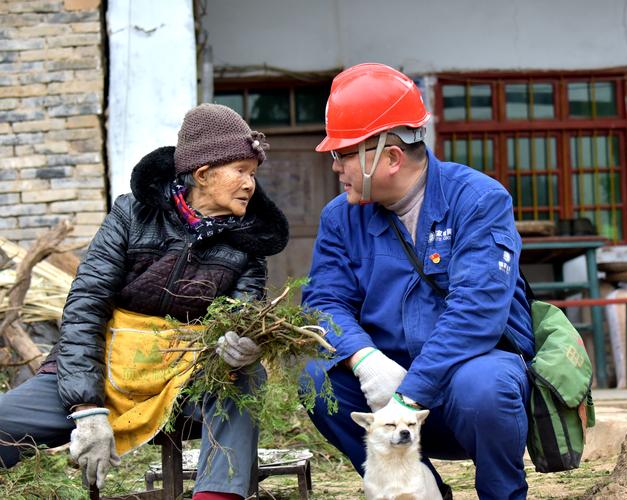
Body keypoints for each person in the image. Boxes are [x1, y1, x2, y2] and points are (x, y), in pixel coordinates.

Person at [0, 103, 289, 500]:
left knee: (244, 377)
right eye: (240, 171)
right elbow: (86, 306)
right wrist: (86, 407)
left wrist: (242, 344)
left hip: (185, 378)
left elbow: (242, 313)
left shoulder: (249, 243)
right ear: (203, 174)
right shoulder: (131, 215)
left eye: (253, 174)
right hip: (103, 367)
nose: (250, 185)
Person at [301, 63, 534, 500]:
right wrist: (365, 360)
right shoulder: (340, 217)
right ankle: (419, 489)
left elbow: (477, 314)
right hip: (385, 390)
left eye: (344, 153)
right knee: (318, 379)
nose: (335, 167)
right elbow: (323, 303)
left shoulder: (478, 200)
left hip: (465, 386)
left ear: (390, 156)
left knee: (486, 384)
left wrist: (409, 395)